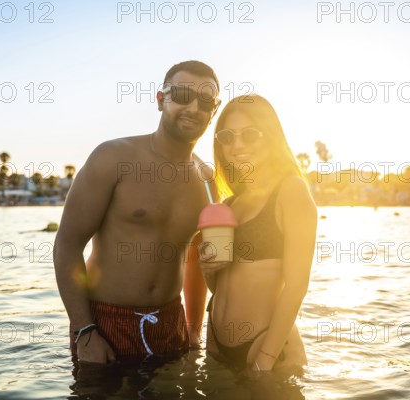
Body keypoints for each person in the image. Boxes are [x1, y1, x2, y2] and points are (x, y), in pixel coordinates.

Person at [53, 60, 221, 365]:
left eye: (206, 101)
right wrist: (85, 331)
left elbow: (196, 258)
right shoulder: (114, 158)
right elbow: (67, 244)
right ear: (161, 100)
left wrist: (194, 330)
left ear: (214, 110)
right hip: (105, 322)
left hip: (171, 323)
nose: (194, 108)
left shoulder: (206, 180)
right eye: (182, 95)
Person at [198, 94, 317, 372]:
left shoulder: (290, 190)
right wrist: (207, 269)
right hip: (217, 345)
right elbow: (223, 287)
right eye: (227, 137)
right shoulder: (230, 204)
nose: (237, 145)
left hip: (265, 349)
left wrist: (265, 359)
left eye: (249, 135)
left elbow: (297, 286)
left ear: (270, 137)